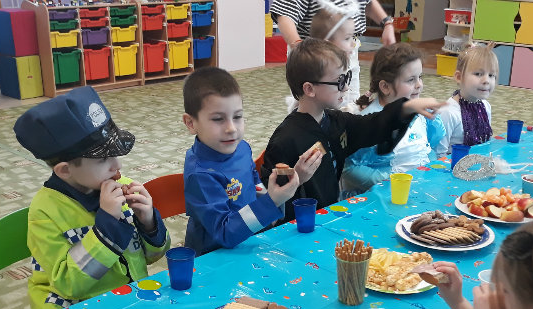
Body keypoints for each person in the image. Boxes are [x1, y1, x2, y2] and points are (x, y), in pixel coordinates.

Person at [14, 87, 170, 309]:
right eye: (103, 158)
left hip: (127, 301)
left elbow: (152, 256)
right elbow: (69, 284)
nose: (117, 165)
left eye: (115, 153)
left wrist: (148, 222)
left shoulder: (121, 187)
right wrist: (106, 227)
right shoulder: (44, 212)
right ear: (65, 170)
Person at [261, 38, 445, 222]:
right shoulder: (285, 140)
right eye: (340, 81)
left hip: (328, 216)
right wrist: (297, 179)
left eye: (347, 77)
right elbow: (269, 204)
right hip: (299, 227)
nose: (347, 87)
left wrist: (407, 107)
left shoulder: (336, 121)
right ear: (309, 89)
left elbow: (373, 125)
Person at [182, 67, 322, 256]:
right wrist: (271, 203)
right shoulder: (200, 174)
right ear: (191, 123)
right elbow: (224, 233)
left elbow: (254, 182)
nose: (231, 128)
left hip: (250, 241)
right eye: (218, 119)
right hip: (214, 257)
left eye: (237, 116)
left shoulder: (241, 148)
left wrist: (270, 197)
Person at [341, 43, 446, 197]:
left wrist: (428, 167)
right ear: (385, 87)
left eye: (420, 77)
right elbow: (349, 168)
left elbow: (428, 146)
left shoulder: (422, 113)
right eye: (411, 80)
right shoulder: (371, 123)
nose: (419, 85)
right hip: (384, 196)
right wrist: (387, 180)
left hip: (417, 190)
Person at [271, 0, 396, 113]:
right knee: (312, 107)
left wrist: (386, 23)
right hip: (314, 56)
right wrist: (302, 50)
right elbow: (285, 12)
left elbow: (367, 2)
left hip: (345, 48)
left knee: (348, 103)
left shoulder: (349, 45)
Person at [286, 7, 360, 112]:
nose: (353, 43)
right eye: (347, 38)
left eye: (353, 37)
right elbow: (300, 106)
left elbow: (353, 97)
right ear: (327, 43)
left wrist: (357, 108)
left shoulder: (349, 64)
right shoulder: (314, 69)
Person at [436, 44, 498, 157]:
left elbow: (486, 143)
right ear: (459, 77)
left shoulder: (486, 106)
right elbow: (439, 154)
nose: (486, 81)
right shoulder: (448, 112)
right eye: (478, 74)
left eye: (491, 75)